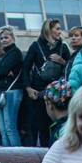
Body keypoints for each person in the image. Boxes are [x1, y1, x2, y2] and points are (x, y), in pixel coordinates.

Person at [23, 19, 71, 147]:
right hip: (39, 92)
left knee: (57, 124)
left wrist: (62, 61)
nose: (59, 32)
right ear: (48, 30)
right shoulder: (36, 46)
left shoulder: (63, 47)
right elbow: (25, 67)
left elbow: (70, 67)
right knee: (41, 126)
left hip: (57, 93)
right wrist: (28, 88)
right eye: (57, 28)